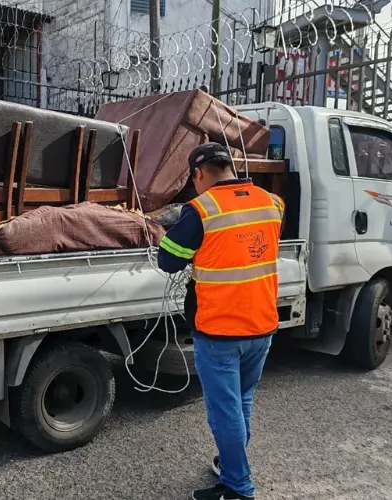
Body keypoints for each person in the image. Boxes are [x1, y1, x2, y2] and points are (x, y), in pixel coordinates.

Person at [157, 143, 284, 500]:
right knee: (241, 402)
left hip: (220, 331)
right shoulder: (272, 203)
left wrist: (178, 234)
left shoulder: (201, 210)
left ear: (199, 174)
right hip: (262, 325)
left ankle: (238, 487)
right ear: (230, 166)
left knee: (224, 413)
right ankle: (231, 463)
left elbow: (169, 261)